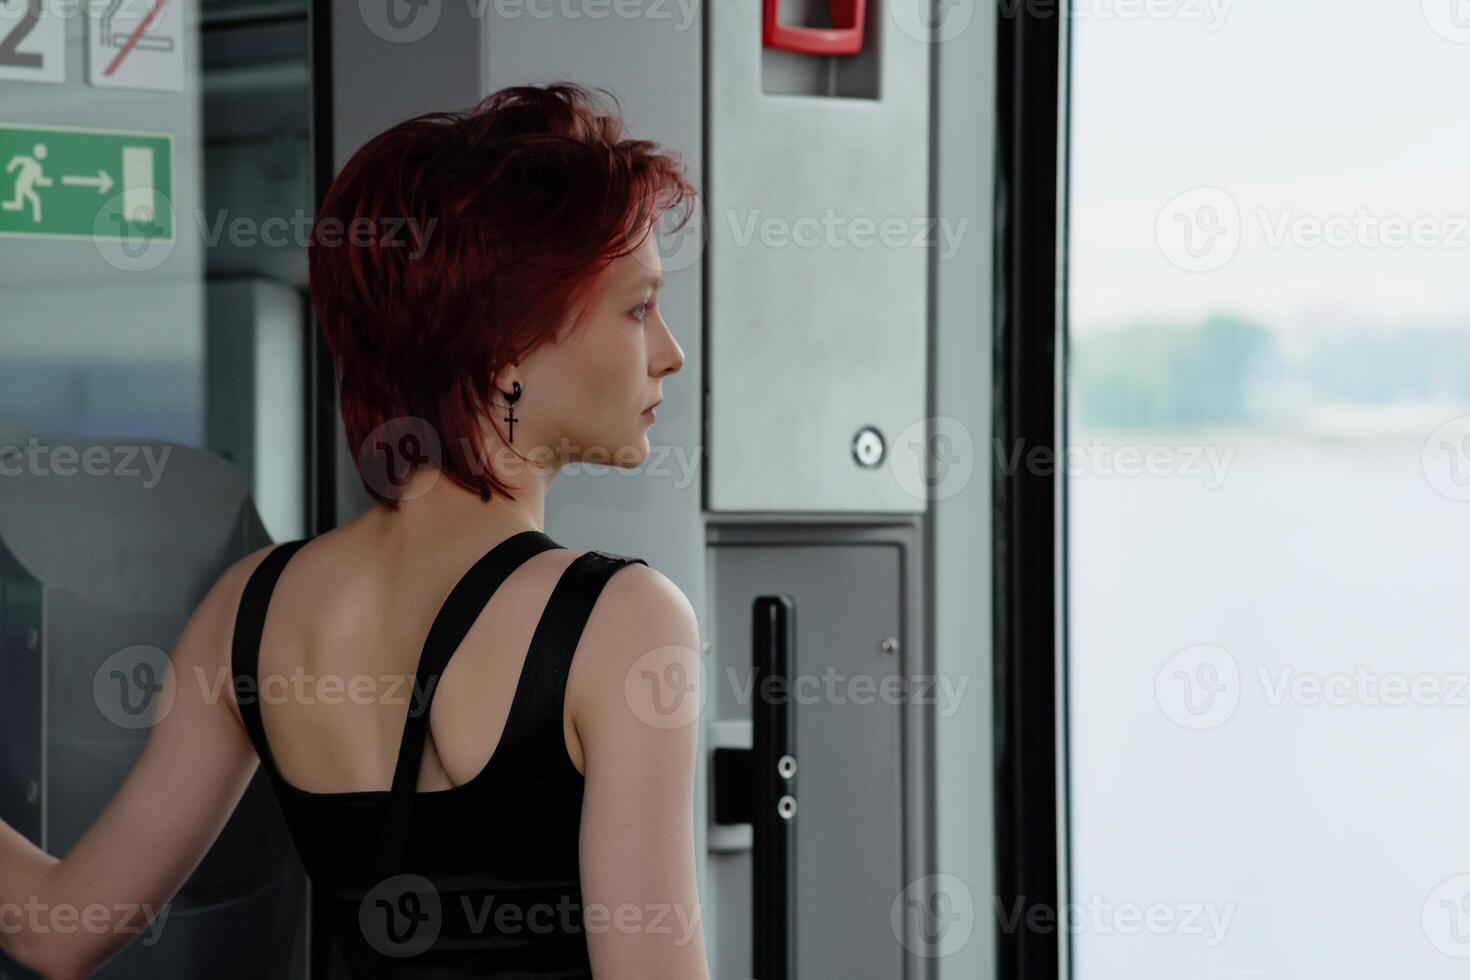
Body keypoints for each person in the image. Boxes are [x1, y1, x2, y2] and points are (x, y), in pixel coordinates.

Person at [0, 82, 710, 979]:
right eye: (639, 307)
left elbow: (56, 930)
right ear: (507, 345)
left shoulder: (249, 609)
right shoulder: (624, 620)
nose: (669, 353)